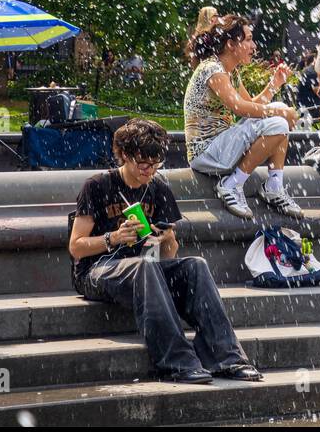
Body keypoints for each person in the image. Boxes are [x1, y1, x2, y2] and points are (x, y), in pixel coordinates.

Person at [69, 119, 261, 385]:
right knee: (143, 266)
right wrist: (113, 238)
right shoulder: (98, 186)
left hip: (143, 272)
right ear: (124, 155)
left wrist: (167, 239)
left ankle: (226, 358)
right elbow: (76, 246)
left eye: (155, 163)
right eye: (143, 164)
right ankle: (177, 362)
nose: (149, 170)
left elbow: (169, 258)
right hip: (96, 272)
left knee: (195, 265)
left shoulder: (157, 189)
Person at [184, 15, 300, 219]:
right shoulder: (212, 69)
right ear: (230, 44)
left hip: (222, 145)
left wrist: (274, 84)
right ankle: (231, 184)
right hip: (206, 153)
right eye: (248, 39)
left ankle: (274, 185)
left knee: (279, 110)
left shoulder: (230, 71)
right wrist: (280, 113)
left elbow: (252, 105)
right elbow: (239, 108)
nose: (253, 46)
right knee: (279, 120)